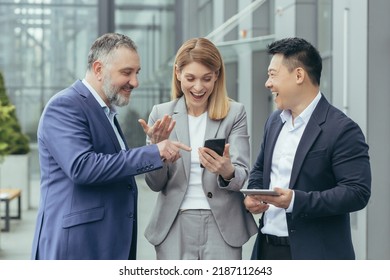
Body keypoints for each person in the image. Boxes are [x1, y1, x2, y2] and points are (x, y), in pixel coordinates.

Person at [31, 33, 191, 260]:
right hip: (76, 248)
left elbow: (114, 167)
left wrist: (155, 147)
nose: (135, 82)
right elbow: (82, 167)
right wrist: (154, 152)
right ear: (98, 69)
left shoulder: (106, 112)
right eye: (126, 72)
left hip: (102, 244)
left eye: (137, 73)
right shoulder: (65, 106)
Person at [244, 37, 371, 260]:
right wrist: (254, 195)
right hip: (266, 249)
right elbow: (260, 169)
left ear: (299, 75)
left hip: (315, 255)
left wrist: (295, 201)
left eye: (273, 74)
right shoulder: (274, 122)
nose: (267, 83)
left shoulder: (342, 129)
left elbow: (356, 193)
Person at [138, 37, 257, 260]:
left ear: (217, 76)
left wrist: (227, 171)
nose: (199, 87)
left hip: (222, 226)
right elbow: (154, 184)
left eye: (207, 78)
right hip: (174, 224)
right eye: (190, 78)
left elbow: (241, 176)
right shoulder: (160, 114)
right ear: (178, 73)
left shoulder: (235, 113)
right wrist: (157, 152)